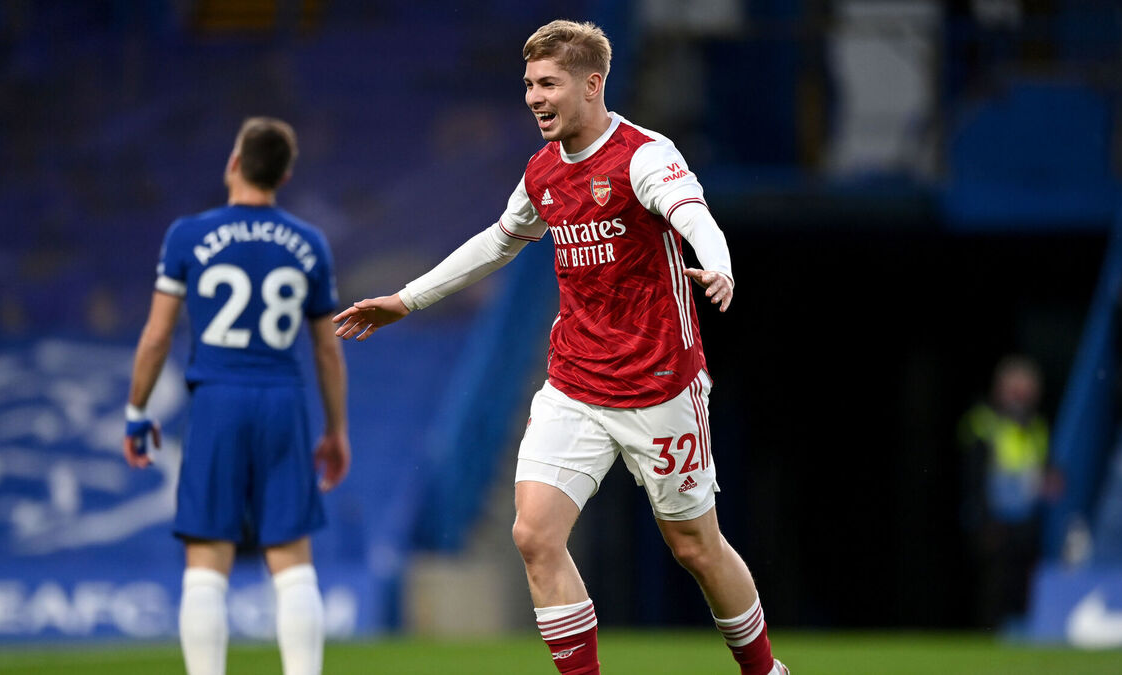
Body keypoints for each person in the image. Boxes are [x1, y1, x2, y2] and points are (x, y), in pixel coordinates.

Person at [334, 20, 787, 675]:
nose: (534, 98)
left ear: (591, 84)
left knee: (695, 546)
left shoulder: (643, 156)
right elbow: (499, 240)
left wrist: (719, 264)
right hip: (575, 384)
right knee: (533, 534)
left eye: (548, 83)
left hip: (660, 384)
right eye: (528, 85)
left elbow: (694, 215)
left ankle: (765, 669)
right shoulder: (543, 171)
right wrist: (407, 299)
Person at [123, 117, 349, 675]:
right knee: (292, 562)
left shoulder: (187, 235)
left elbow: (156, 336)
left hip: (217, 400)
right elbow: (326, 349)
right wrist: (336, 429)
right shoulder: (309, 243)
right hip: (282, 401)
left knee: (206, 562)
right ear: (285, 175)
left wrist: (137, 410)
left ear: (234, 163)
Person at [957, 355, 1057, 630]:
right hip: (994, 521)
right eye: (1015, 391)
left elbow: (1043, 469)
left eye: (1026, 392)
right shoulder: (984, 422)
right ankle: (986, 638)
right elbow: (974, 476)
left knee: (1023, 589)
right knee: (992, 589)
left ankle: (1019, 639)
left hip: (1027, 521)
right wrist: (983, 519)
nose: (1020, 398)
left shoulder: (1037, 427)